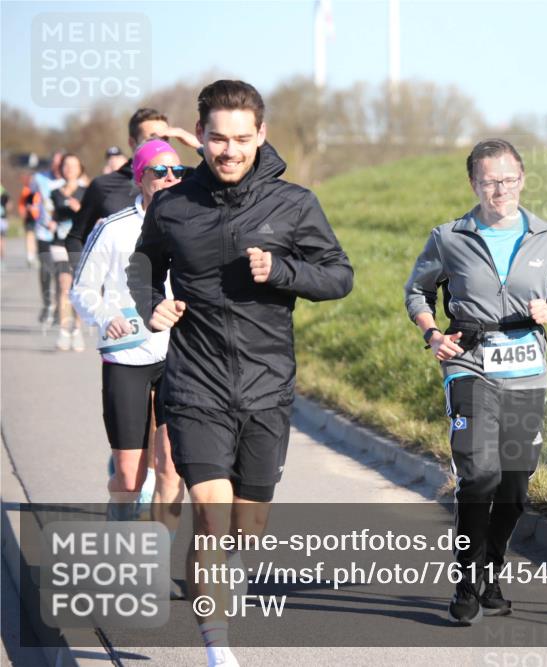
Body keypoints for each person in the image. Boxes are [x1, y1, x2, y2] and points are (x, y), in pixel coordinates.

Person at [127, 79, 353, 667]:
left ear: (261, 135)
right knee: (210, 513)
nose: (229, 150)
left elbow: (337, 275)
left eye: (242, 139)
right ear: (198, 136)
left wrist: (282, 270)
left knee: (246, 530)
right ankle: (216, 646)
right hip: (194, 384)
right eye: (218, 138)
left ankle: (220, 577)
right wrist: (151, 303)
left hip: (266, 386)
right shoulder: (173, 205)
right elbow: (146, 261)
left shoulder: (294, 204)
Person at [404, 138, 547, 625]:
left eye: (508, 180)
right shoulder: (448, 237)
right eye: (489, 181)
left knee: (514, 486)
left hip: (527, 370)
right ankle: (466, 577)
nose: (500, 189)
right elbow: (417, 293)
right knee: (478, 475)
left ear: (522, 179)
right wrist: (431, 334)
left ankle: (491, 568)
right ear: (473, 184)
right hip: (470, 364)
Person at [70, 140, 186, 547]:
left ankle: (156, 555)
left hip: (178, 358)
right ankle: (119, 537)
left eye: (178, 171)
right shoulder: (113, 228)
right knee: (129, 474)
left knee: (172, 468)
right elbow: (82, 290)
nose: (171, 178)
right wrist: (106, 317)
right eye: (160, 171)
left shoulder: (192, 223)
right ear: (140, 178)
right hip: (126, 357)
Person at [67, 108, 200, 257]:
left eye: (165, 139)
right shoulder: (103, 186)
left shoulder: (183, 176)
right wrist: (86, 273)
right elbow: (76, 237)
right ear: (132, 142)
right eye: (152, 138)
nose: (159, 145)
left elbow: (225, 183)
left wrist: (197, 145)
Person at [51, 154, 87, 351]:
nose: (70, 168)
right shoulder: (54, 193)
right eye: (67, 165)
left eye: (74, 165)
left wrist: (79, 208)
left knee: (78, 289)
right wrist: (49, 221)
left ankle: (77, 331)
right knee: (64, 284)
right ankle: (64, 331)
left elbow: (93, 216)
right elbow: (48, 214)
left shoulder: (88, 191)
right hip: (59, 244)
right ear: (62, 169)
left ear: (80, 168)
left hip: (80, 244)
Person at [29, 152, 64, 327]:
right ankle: (47, 304)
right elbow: (30, 197)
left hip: (61, 233)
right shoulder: (39, 178)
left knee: (60, 272)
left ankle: (59, 308)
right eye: (54, 163)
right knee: (45, 269)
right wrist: (32, 212)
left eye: (60, 163)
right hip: (43, 231)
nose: (57, 166)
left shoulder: (69, 181)